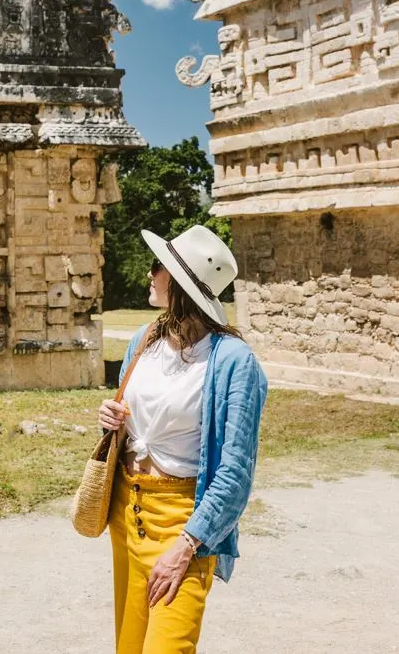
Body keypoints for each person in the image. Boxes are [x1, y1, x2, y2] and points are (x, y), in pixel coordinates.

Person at [99, 224, 268, 654]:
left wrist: (188, 544)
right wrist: (111, 421)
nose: (149, 274)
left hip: (182, 525)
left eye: (158, 266)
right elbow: (133, 432)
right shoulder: (145, 340)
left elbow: (235, 471)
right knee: (129, 648)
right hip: (127, 510)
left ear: (178, 281)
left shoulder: (233, 362)